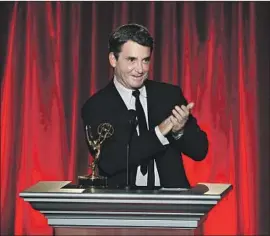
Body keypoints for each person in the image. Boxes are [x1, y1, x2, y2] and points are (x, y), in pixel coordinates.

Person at [81, 23, 208, 189]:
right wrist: (159, 132)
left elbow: (200, 151)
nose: (140, 69)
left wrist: (179, 131)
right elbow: (110, 161)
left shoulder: (168, 95)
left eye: (145, 60)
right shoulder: (97, 106)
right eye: (132, 60)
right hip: (120, 208)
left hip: (172, 207)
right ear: (113, 59)